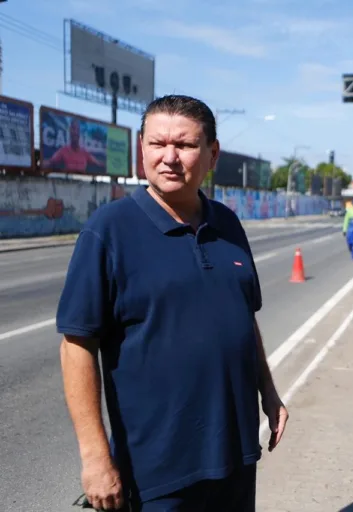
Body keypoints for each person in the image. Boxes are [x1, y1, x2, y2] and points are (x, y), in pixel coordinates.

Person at [56, 95, 288, 511]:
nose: (169, 158)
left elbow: (242, 317)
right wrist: (94, 459)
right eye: (157, 144)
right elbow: (77, 346)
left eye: (184, 145)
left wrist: (268, 392)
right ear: (140, 148)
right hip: (157, 472)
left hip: (236, 455)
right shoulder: (108, 230)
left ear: (212, 153)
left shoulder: (228, 224)